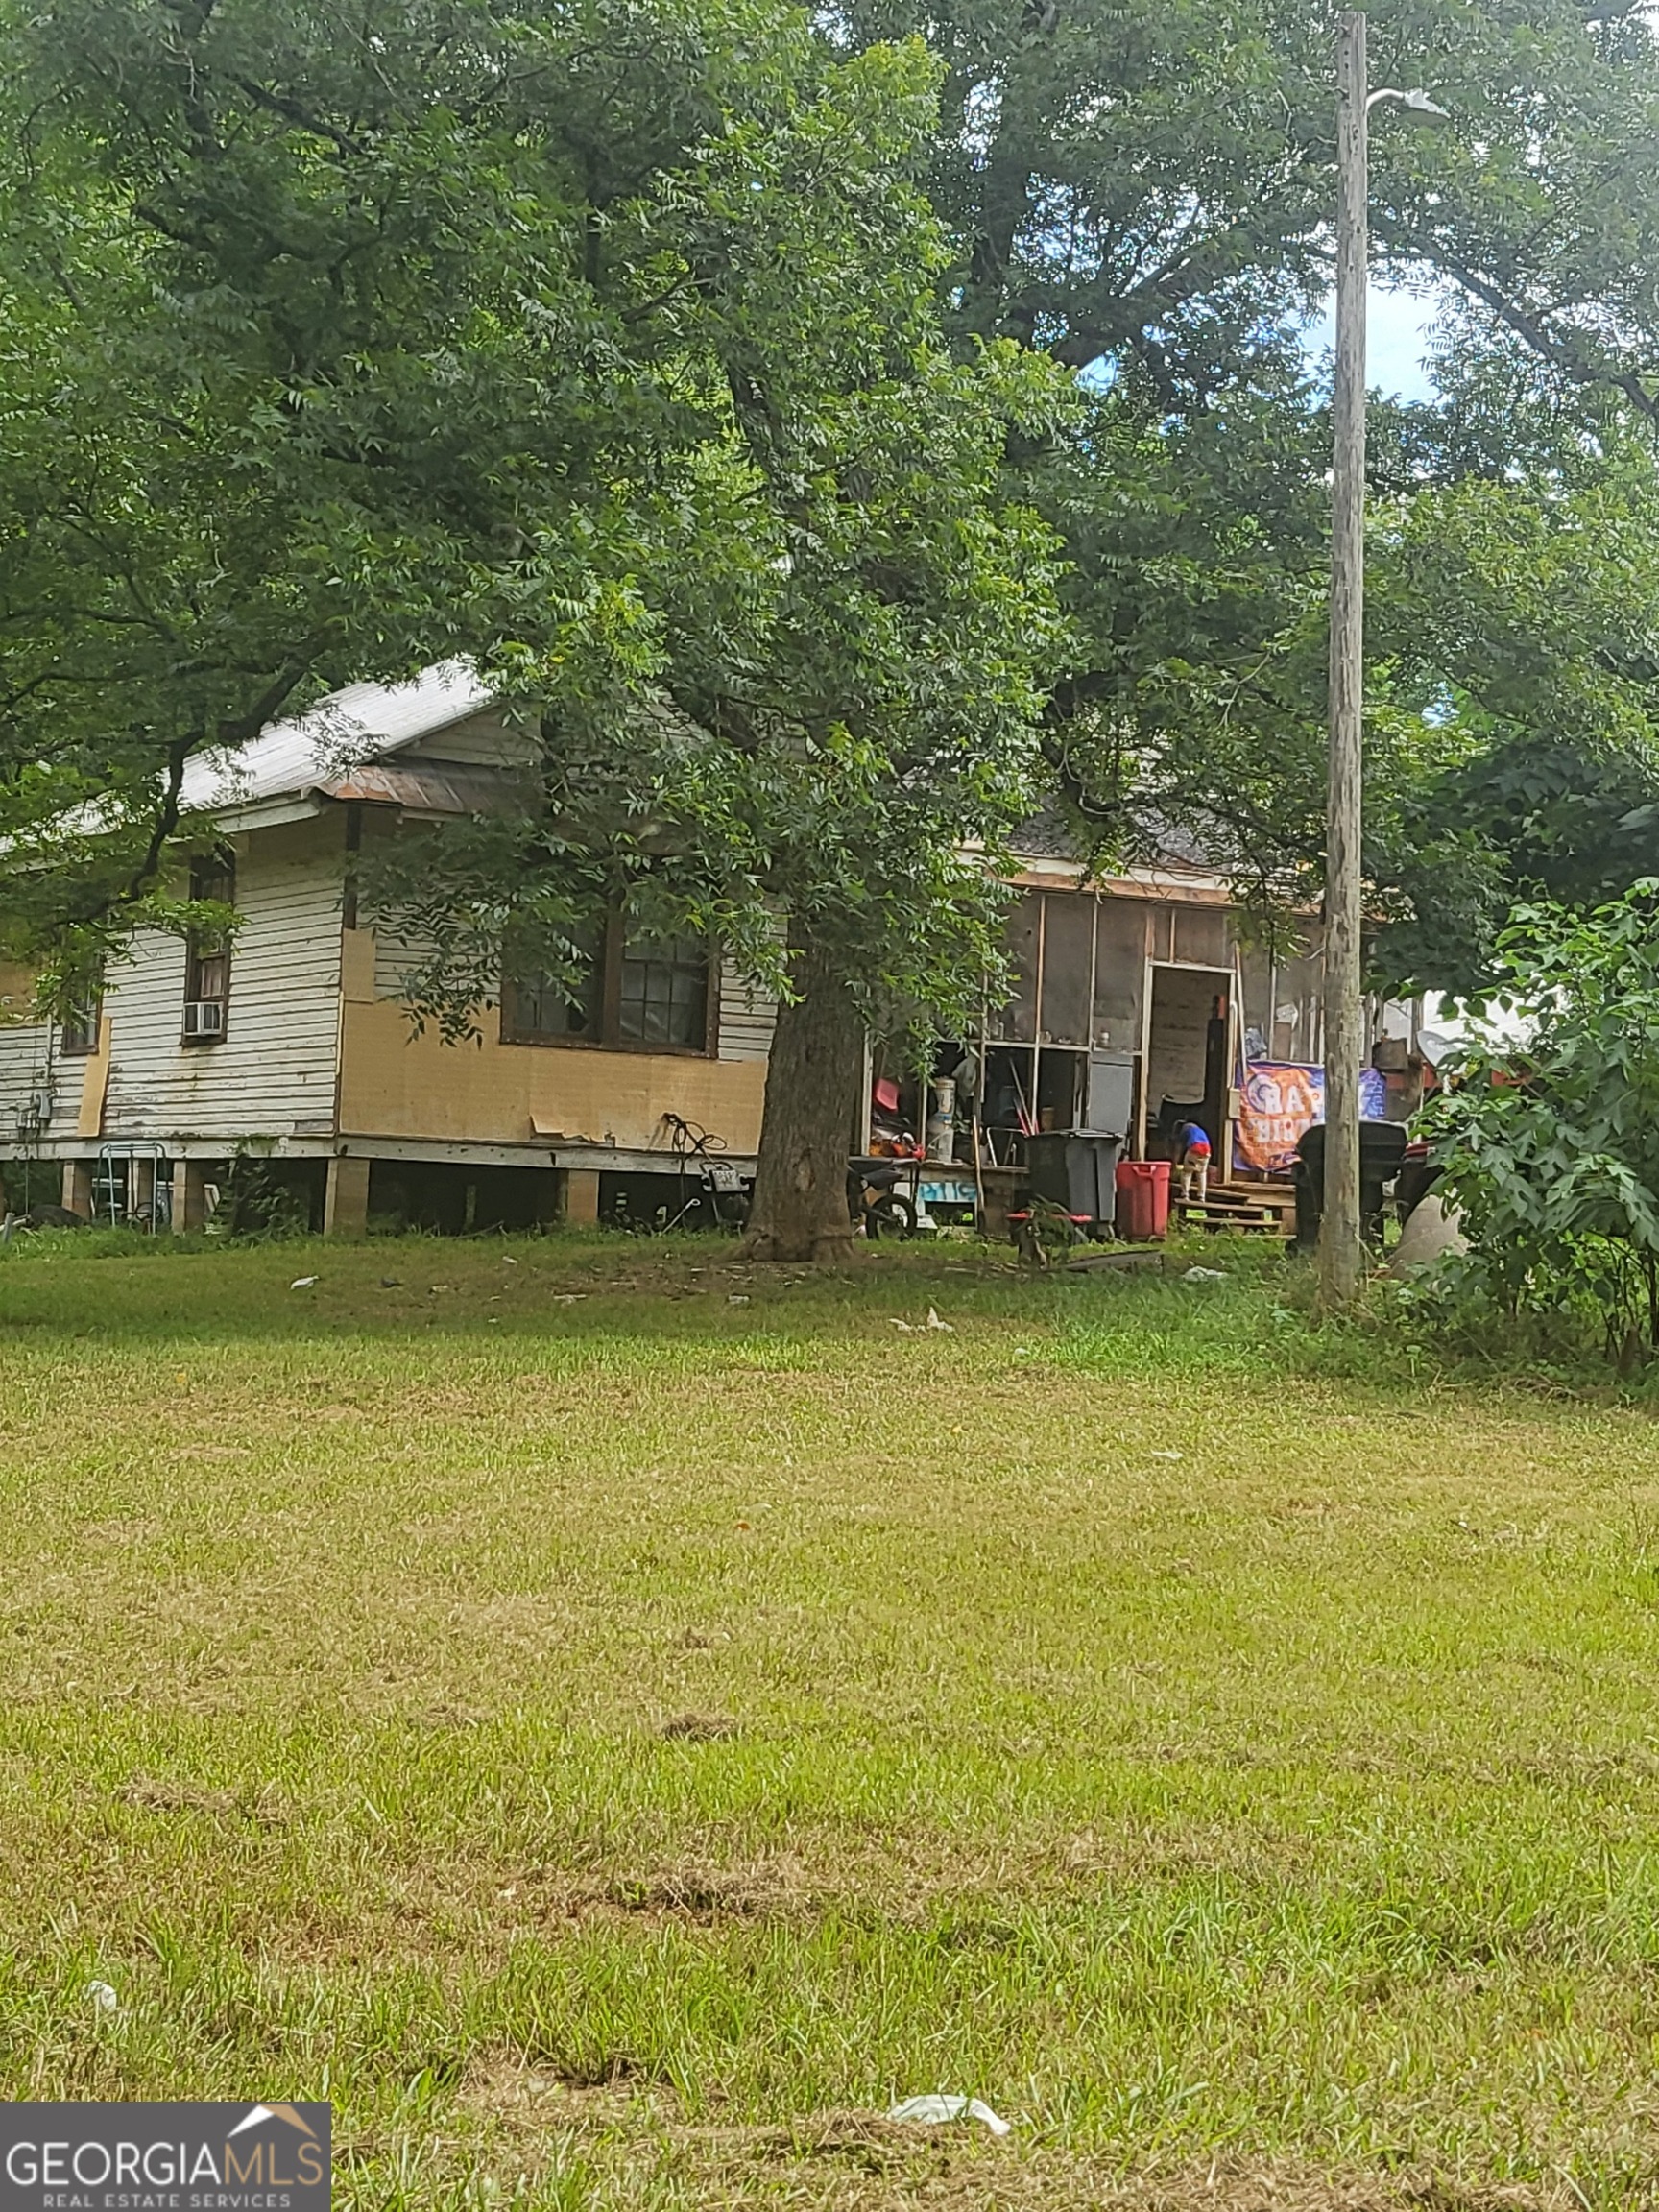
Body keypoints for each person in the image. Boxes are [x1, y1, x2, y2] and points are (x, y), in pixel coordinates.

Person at [1172, 1118, 1212, 1204]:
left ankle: (1185, 1195)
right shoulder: (1199, 1130)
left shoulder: (1185, 1130)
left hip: (1195, 1149)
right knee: (1201, 1173)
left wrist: (1175, 1163)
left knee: (1187, 1172)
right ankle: (1202, 1197)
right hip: (1206, 1151)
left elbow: (1179, 1148)